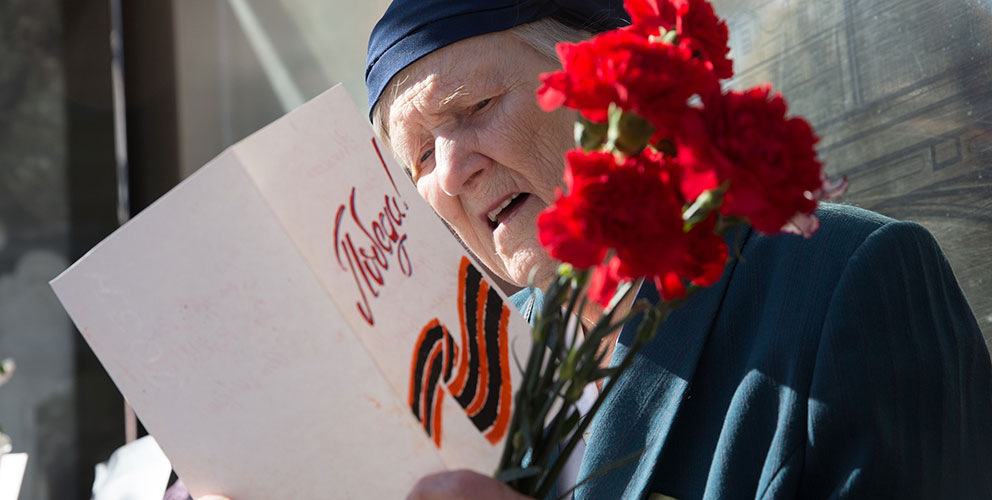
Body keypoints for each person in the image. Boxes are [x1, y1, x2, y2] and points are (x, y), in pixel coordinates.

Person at [202, 1, 992, 498]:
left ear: (612, 85)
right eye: (415, 161)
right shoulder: (453, 371)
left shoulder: (846, 281)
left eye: (476, 106)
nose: (450, 171)